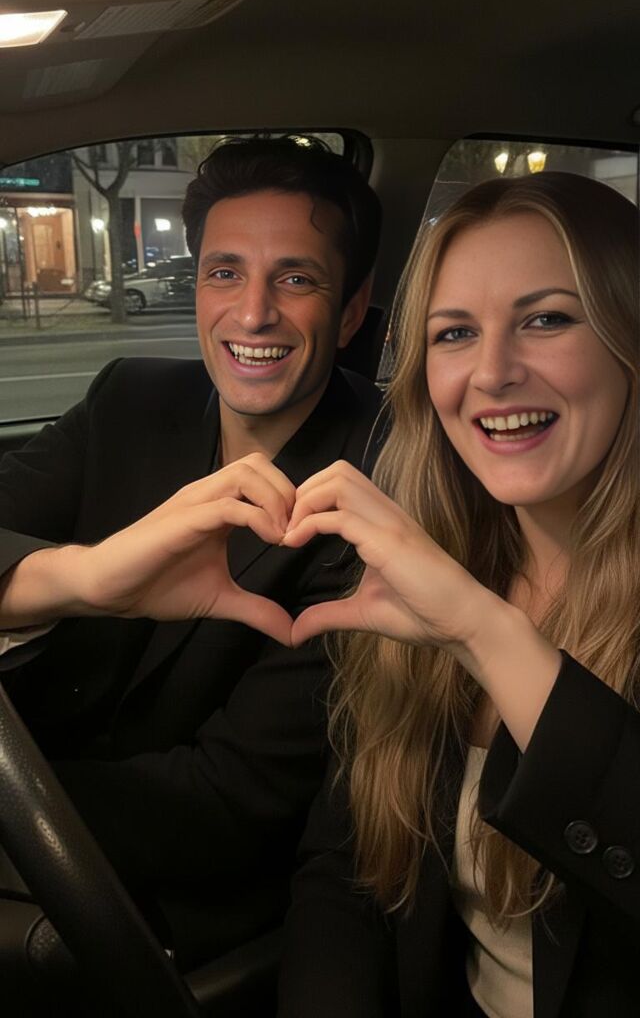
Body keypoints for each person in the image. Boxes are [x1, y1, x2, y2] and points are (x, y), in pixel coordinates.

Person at [0, 135, 382, 971]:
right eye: (224, 273)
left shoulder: (378, 492)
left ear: (352, 312)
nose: (252, 314)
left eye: (296, 279)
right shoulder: (129, 399)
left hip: (158, 908)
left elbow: (229, 803)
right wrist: (77, 580)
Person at [278, 172, 639, 1017]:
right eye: (455, 334)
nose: (492, 373)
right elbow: (349, 873)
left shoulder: (448, 597)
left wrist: (484, 631)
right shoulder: (429, 567)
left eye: (547, 319)